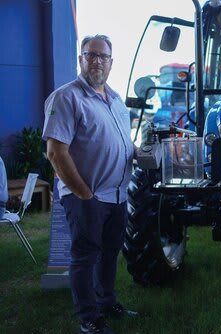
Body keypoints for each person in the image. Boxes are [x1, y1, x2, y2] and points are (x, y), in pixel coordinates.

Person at [43, 34, 138, 334]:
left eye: (103, 56)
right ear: (80, 59)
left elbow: (124, 145)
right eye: (90, 54)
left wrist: (144, 152)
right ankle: (89, 319)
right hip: (87, 195)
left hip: (118, 195)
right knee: (85, 257)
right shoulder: (66, 97)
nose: (97, 60)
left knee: (110, 253)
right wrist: (85, 194)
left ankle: (106, 302)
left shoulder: (117, 101)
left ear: (112, 63)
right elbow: (55, 152)